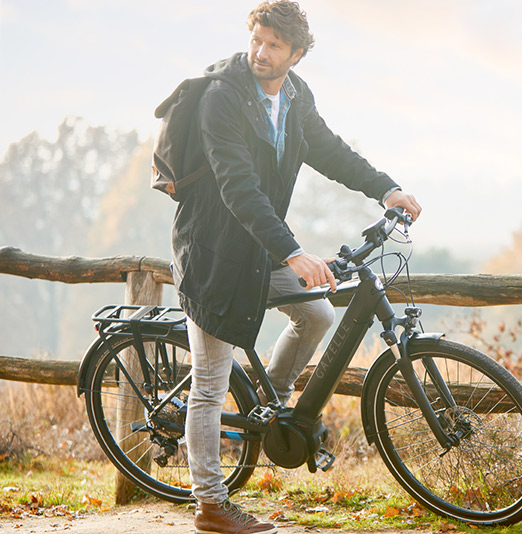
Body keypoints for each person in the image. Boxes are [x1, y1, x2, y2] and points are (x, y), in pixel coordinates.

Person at [169, 2, 421, 533]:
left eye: (275, 45)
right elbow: (238, 186)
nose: (261, 52)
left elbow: (329, 150)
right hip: (214, 250)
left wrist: (386, 186)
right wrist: (293, 252)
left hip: (258, 248)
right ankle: (210, 504)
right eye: (257, 40)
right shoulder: (222, 98)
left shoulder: (295, 97)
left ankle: (266, 405)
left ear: (297, 54)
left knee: (318, 316)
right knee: (210, 384)